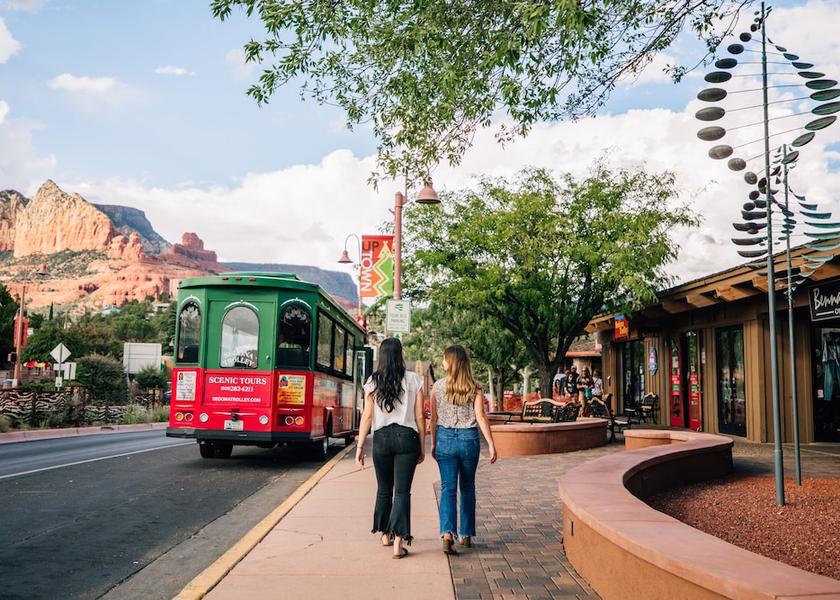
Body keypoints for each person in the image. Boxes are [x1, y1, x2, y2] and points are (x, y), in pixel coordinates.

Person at [355, 338, 425, 559]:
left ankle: (385, 535)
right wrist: (422, 446)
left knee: (384, 488)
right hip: (407, 438)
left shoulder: (372, 381)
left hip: (382, 439)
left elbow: (367, 416)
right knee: (402, 491)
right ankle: (398, 543)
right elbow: (420, 416)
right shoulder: (414, 379)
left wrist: (359, 447)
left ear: (382, 356)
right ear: (400, 354)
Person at [430, 344, 497, 555]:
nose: (442, 362)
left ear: (450, 362)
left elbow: (434, 419)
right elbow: (480, 417)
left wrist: (433, 443)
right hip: (469, 440)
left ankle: (447, 534)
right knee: (468, 487)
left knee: (448, 488)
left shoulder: (438, 387)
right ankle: (466, 534)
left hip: (445, 439)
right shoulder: (475, 387)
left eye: (443, 359)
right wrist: (491, 444)